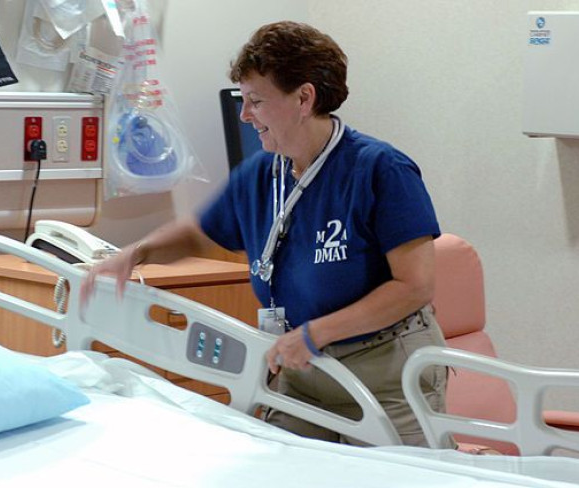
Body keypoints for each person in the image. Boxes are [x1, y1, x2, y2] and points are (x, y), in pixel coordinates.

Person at [81, 20, 450, 448]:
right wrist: (138, 252)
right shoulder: (262, 173)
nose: (244, 115)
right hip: (303, 373)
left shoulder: (380, 170)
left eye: (255, 101)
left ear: (304, 98)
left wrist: (315, 334)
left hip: (384, 375)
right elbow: (201, 233)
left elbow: (414, 286)